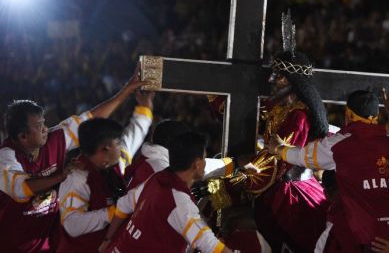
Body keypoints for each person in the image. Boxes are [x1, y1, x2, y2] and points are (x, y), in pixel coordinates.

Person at [207, 12, 330, 252]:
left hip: (289, 194)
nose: (272, 79)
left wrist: (239, 178)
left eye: (280, 76)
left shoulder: (299, 117)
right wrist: (216, 91)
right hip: (271, 188)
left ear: (294, 81)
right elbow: (246, 113)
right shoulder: (280, 106)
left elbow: (276, 160)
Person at [0, 68, 145, 253]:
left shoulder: (55, 138)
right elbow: (21, 190)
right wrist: (61, 175)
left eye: (44, 122)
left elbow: (91, 118)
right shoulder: (5, 158)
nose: (45, 128)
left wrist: (127, 90)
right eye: (39, 126)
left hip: (47, 243)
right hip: (12, 245)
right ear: (22, 137)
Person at [270, 84, 389, 251]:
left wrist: (278, 148)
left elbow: (302, 157)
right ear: (376, 117)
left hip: (370, 238)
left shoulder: (341, 143)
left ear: (348, 115)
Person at [57, 91, 154, 253]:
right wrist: (116, 211)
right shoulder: (77, 177)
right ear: (105, 149)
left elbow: (135, 133)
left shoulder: (115, 161)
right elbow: (72, 225)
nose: (121, 145)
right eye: (117, 141)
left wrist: (145, 106)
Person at [109, 131, 233, 253]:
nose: (206, 162)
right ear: (197, 164)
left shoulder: (155, 179)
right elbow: (209, 245)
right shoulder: (179, 203)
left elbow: (123, 205)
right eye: (205, 158)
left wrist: (106, 240)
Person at [124, 120, 235, 190]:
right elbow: (190, 169)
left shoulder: (151, 160)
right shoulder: (158, 166)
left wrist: (231, 165)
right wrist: (232, 165)